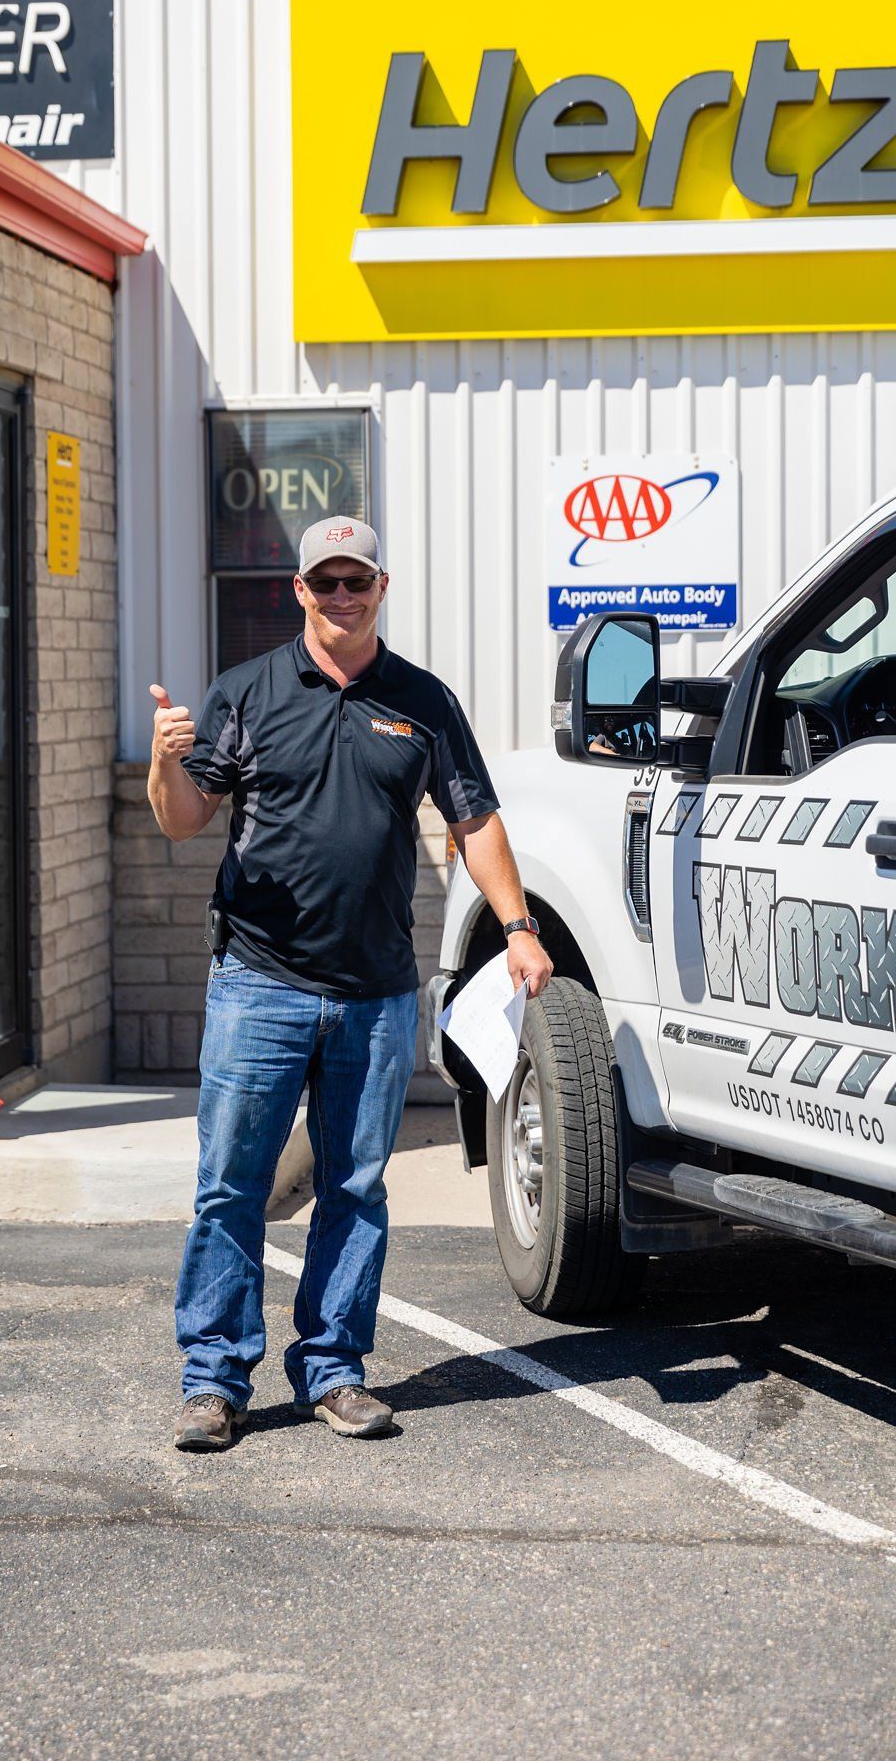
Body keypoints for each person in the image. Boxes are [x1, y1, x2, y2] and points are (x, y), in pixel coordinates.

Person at [148, 515, 553, 1450]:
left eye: (355, 580)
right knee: (229, 1187)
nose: (341, 595)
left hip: (372, 994)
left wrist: (521, 927)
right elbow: (181, 821)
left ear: (381, 586)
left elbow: (474, 819)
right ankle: (213, 1381)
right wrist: (166, 761)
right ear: (299, 591)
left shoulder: (422, 700)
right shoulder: (245, 693)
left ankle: (332, 1371)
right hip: (258, 984)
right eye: (324, 581)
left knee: (357, 1189)